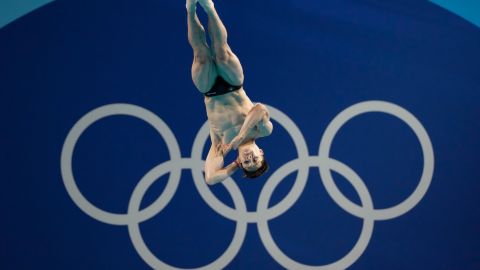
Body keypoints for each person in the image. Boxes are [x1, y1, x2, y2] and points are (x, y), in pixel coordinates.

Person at [186, 0, 273, 185]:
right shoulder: (263, 131)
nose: (250, 158)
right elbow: (259, 109)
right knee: (221, 51)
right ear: (261, 152)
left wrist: (234, 164)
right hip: (233, 83)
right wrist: (241, 136)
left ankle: (191, 9)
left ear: (241, 162)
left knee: (200, 55)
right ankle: (210, 8)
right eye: (255, 159)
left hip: (209, 89)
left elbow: (210, 179)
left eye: (247, 162)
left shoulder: (220, 147)